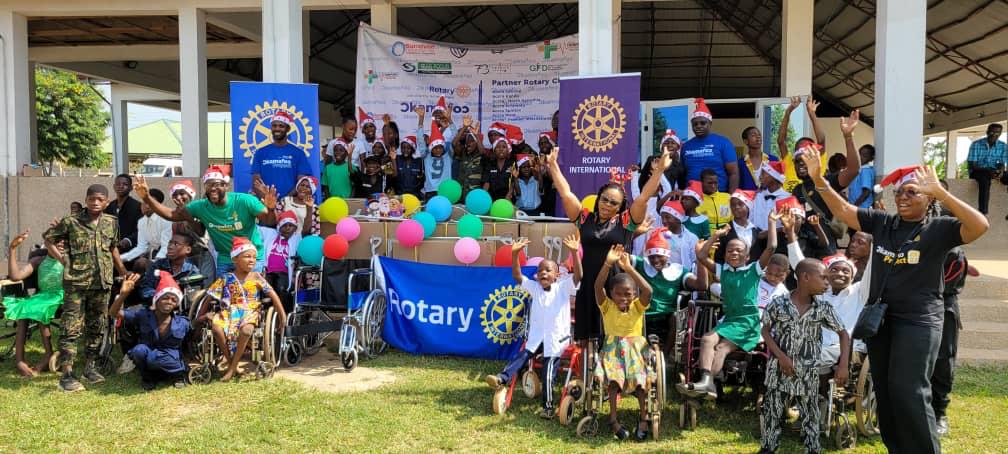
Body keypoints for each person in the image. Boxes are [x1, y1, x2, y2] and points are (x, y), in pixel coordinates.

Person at [797, 147, 988, 454]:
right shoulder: (883, 223)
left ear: (928, 199)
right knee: (885, 392)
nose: (902, 197)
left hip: (919, 321)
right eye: (899, 192)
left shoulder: (939, 229)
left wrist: (943, 193)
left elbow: (980, 226)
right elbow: (843, 210)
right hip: (881, 320)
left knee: (909, 391)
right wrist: (819, 179)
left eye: (912, 192)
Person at [545, 146, 672, 343]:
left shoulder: (626, 222)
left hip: (617, 285)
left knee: (617, 338)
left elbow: (643, 197)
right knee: (587, 339)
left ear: (620, 207)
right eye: (604, 199)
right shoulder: (584, 219)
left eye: (614, 203)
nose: (607, 204)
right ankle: (587, 363)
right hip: (589, 281)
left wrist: (660, 170)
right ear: (598, 199)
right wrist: (553, 165)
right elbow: (566, 193)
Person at [680, 209, 779, 399]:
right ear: (724, 255)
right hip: (730, 320)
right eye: (730, 250)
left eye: (738, 250)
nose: (734, 252)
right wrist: (715, 236)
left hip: (748, 323)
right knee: (707, 339)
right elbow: (701, 256)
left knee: (721, 348)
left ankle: (708, 383)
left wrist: (772, 222)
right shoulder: (722, 270)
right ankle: (706, 381)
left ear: (747, 257)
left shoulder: (753, 270)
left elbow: (771, 247)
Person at [44, 184, 130, 392]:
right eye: (92, 199)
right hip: (76, 283)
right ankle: (67, 373)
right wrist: (63, 260)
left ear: (106, 202)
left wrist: (122, 270)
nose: (95, 203)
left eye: (100, 199)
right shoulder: (71, 222)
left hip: (102, 282)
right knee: (71, 327)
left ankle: (90, 368)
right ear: (86, 200)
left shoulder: (111, 222)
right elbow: (48, 239)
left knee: (97, 325)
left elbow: (112, 247)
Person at [484, 235, 581, 419]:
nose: (543, 273)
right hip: (537, 338)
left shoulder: (563, 287)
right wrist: (515, 255)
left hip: (556, 339)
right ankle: (501, 379)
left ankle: (548, 406)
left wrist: (575, 253)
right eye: (540, 270)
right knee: (521, 356)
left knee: (547, 371)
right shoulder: (534, 288)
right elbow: (517, 276)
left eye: (548, 270)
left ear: (557, 275)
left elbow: (579, 276)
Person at [760, 258, 850, 454]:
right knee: (772, 410)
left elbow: (843, 334)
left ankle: (812, 448)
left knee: (810, 413)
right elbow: (765, 331)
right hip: (779, 370)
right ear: (805, 277)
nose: (827, 282)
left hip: (808, 372)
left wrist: (843, 364)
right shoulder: (779, 303)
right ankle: (768, 448)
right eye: (823, 278)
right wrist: (781, 357)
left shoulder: (823, 308)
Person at [134, 166, 278, 276]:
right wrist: (146, 197)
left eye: (217, 184)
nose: (213, 188)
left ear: (226, 186)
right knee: (225, 298)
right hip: (226, 259)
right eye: (208, 185)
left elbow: (269, 221)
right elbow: (171, 215)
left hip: (251, 258)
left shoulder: (245, 201)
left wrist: (271, 209)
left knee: (250, 297)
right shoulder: (201, 206)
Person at [593, 245, 654, 441]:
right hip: (613, 351)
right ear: (611, 294)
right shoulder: (607, 306)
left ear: (634, 294)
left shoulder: (637, 306)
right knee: (613, 380)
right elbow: (597, 287)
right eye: (619, 293)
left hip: (636, 351)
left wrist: (629, 268)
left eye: (628, 293)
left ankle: (644, 418)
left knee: (640, 381)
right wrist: (607, 264)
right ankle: (613, 420)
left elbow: (648, 290)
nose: (623, 298)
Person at [204, 237, 286, 382]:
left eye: (254, 257)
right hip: (228, 312)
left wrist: (282, 315)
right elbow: (209, 296)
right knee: (216, 329)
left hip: (250, 312)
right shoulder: (226, 278)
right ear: (235, 259)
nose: (252, 260)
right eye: (247, 256)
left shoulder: (256, 277)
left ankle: (231, 368)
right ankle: (232, 364)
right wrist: (199, 316)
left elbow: (272, 294)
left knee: (246, 331)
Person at [784, 109, 862, 242]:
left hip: (826, 246)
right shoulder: (797, 190)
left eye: (805, 160)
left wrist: (848, 137)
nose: (801, 164)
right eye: (797, 161)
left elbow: (853, 170)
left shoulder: (828, 181)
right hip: (804, 246)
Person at [108, 272, 190, 390]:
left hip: (170, 362)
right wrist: (123, 294)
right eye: (165, 298)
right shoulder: (143, 315)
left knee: (163, 359)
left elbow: (193, 339)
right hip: (149, 358)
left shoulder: (182, 322)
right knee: (138, 351)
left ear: (176, 304)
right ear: (156, 300)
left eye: (173, 300)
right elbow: (113, 313)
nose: (169, 301)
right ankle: (148, 378)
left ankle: (178, 377)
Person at [633, 229, 707, 355]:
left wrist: (700, 258)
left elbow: (701, 285)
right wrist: (634, 234)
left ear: (667, 255)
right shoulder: (641, 264)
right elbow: (619, 255)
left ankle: (665, 356)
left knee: (675, 317)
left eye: (659, 256)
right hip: (642, 314)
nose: (655, 260)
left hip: (667, 316)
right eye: (652, 257)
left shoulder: (678, 270)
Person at [4, 230, 63, 377]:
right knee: (24, 308)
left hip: (61, 296)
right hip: (43, 296)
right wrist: (12, 249)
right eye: (57, 241)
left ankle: (48, 354)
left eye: (65, 241)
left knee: (39, 308)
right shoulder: (39, 260)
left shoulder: (66, 260)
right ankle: (20, 360)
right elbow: (15, 276)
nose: (61, 244)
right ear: (48, 244)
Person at [931, 246, 976, 437]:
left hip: (942, 310)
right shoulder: (913, 243)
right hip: (911, 308)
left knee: (942, 362)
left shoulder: (954, 252)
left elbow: (945, 285)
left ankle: (939, 412)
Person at [680, 98, 740, 192]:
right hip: (692, 196)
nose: (698, 126)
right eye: (695, 124)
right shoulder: (686, 146)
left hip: (718, 195)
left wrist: (731, 196)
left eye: (703, 123)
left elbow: (733, 173)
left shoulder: (723, 142)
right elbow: (682, 174)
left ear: (710, 123)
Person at [251, 110, 312, 199]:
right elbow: (256, 181)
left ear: (288, 129)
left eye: (281, 126)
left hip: (290, 202)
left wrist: (285, 201)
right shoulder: (260, 152)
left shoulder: (298, 153)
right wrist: (268, 200)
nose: (277, 129)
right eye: (274, 126)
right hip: (265, 202)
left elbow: (301, 182)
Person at [632, 200, 699, 268]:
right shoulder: (657, 235)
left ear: (679, 218)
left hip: (684, 274)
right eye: (662, 217)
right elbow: (648, 258)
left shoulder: (691, 238)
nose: (664, 221)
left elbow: (695, 262)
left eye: (667, 217)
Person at [119, 188, 173, 272]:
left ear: (158, 205)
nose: (146, 206)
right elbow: (141, 247)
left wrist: (155, 263)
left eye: (150, 203)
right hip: (154, 257)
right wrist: (120, 258)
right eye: (144, 202)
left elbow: (165, 247)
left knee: (142, 263)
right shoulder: (141, 222)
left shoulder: (165, 220)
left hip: (168, 257)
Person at [259, 211, 302, 313]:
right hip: (268, 271)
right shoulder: (270, 233)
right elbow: (254, 228)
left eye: (291, 225)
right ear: (279, 227)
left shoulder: (297, 238)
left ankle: (283, 314)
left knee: (281, 290)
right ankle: (266, 314)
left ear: (295, 228)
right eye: (284, 225)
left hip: (284, 273)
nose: (287, 228)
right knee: (265, 291)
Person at [715, 190, 765, 264]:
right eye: (733, 204)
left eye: (740, 204)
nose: (736, 207)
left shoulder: (757, 231)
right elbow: (718, 258)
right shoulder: (723, 230)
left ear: (748, 206)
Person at [966, 123, 1006, 215]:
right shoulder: (976, 144)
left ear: (1000, 133)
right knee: (985, 179)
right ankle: (983, 212)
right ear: (987, 132)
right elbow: (972, 165)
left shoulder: (1003, 146)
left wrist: (1001, 171)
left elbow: (1001, 163)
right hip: (978, 171)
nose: (994, 134)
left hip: (993, 171)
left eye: (997, 133)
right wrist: (988, 170)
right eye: (992, 132)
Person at [104, 174, 143, 254]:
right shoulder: (110, 206)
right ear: (114, 186)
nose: (121, 186)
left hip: (131, 250)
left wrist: (128, 240)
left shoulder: (137, 206)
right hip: (110, 249)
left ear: (131, 187)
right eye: (118, 184)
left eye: (125, 184)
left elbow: (142, 230)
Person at [417, 121, 453, 201]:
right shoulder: (426, 157)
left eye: (440, 147)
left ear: (443, 147)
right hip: (430, 192)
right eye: (435, 148)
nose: (438, 150)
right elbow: (420, 140)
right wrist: (421, 119)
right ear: (431, 149)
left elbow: (455, 139)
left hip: (446, 191)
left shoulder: (448, 156)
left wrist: (450, 121)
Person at [751, 161, 790, 232]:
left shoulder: (787, 198)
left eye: (763, 173)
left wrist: (767, 233)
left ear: (773, 177)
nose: (760, 177)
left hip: (778, 236)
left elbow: (787, 225)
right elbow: (751, 218)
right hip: (756, 235)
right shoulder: (758, 196)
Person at [738, 126, 779, 191]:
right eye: (753, 135)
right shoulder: (740, 163)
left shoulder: (773, 160)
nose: (758, 137)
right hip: (748, 197)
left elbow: (778, 183)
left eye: (759, 135)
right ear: (746, 141)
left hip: (769, 196)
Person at [696, 168, 732, 234]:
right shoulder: (696, 200)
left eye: (715, 183)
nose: (713, 186)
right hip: (707, 236)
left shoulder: (727, 197)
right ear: (701, 183)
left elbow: (733, 219)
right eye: (709, 183)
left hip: (727, 234)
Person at [483, 136, 516, 200]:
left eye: (504, 147)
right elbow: (486, 183)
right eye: (498, 147)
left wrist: (509, 194)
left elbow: (513, 183)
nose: (501, 149)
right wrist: (484, 196)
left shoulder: (513, 164)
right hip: (492, 200)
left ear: (508, 150)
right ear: (494, 150)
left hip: (508, 199)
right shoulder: (489, 165)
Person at [848, 144, 877, 209]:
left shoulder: (866, 170)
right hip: (857, 207)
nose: (861, 157)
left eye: (865, 155)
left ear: (871, 158)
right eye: (859, 155)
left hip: (862, 207)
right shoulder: (860, 170)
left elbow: (866, 192)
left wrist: (854, 206)